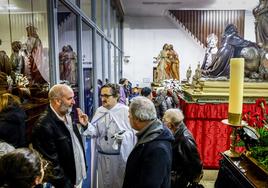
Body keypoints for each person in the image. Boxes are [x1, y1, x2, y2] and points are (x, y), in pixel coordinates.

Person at [32, 84, 88, 188]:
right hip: (64, 183)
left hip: (76, 177)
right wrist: (68, 185)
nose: (74, 102)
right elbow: (52, 165)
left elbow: (73, 145)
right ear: (58, 101)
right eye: (70, 98)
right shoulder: (44, 125)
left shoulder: (67, 114)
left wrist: (85, 126)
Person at [83, 83, 136, 188]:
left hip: (120, 159)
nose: (103, 98)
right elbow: (94, 132)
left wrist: (124, 137)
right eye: (101, 95)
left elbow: (134, 133)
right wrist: (86, 125)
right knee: (103, 184)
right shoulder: (100, 111)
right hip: (102, 157)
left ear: (116, 96)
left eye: (106, 96)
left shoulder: (125, 111)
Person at [123, 96, 174, 188]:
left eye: (130, 115)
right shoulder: (150, 135)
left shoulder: (157, 149)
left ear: (138, 119)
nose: (128, 117)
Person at [163, 108, 203, 188]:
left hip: (179, 181)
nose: (162, 122)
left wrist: (191, 180)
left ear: (170, 124)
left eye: (164, 120)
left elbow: (196, 164)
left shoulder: (185, 139)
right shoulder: (176, 132)